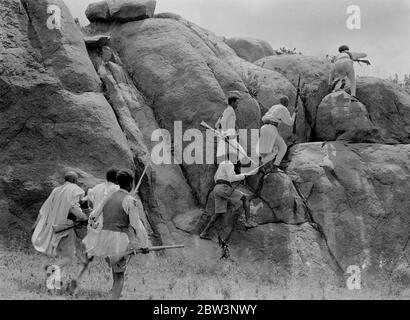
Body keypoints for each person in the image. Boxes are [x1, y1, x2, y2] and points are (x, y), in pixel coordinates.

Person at [88, 169, 149, 300]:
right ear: (131, 184)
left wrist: (95, 227)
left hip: (104, 238)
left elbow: (93, 216)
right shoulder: (130, 200)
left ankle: (114, 295)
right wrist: (144, 244)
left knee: (116, 270)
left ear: (118, 182)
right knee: (120, 275)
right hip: (118, 240)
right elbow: (136, 225)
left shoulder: (108, 196)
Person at [32, 171, 89, 274]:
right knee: (68, 257)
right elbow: (73, 207)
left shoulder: (56, 190)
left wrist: (36, 224)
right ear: (75, 180)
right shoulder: (77, 190)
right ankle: (52, 268)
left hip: (55, 227)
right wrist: (85, 218)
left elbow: (44, 209)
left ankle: (54, 285)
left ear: (65, 179)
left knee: (61, 256)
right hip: (66, 227)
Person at [200, 153, 259, 240]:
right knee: (245, 198)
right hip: (224, 188)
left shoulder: (222, 164)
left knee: (218, 213)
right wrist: (243, 176)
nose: (238, 161)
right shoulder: (230, 164)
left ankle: (204, 232)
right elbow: (231, 178)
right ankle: (248, 221)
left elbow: (216, 177)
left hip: (217, 188)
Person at [82, 167, 120, 257]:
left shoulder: (97, 187)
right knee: (113, 253)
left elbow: (82, 202)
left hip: (95, 223)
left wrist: (89, 212)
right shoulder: (117, 188)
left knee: (92, 251)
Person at [257, 96, 295, 173]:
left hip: (264, 128)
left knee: (272, 149)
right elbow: (290, 123)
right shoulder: (284, 109)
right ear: (285, 103)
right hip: (271, 128)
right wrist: (295, 113)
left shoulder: (273, 107)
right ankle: (271, 166)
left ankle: (263, 162)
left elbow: (263, 118)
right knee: (283, 147)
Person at [216, 96, 251, 171]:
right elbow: (223, 122)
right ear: (232, 102)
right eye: (237, 103)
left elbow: (217, 124)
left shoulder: (227, 110)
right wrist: (226, 134)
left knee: (233, 155)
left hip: (228, 136)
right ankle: (238, 171)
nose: (238, 105)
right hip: (228, 136)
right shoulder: (229, 110)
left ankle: (236, 172)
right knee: (241, 153)